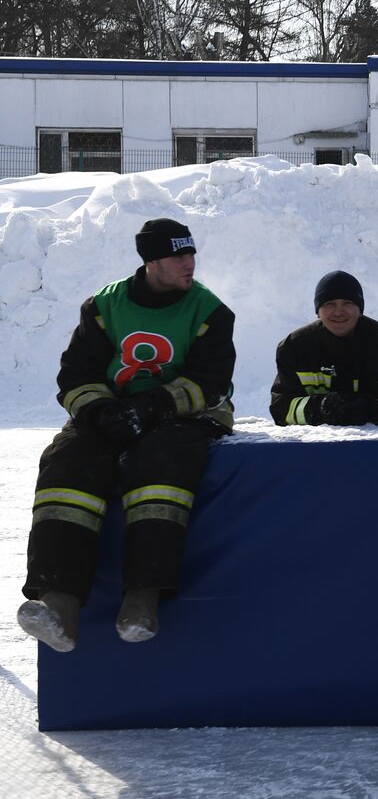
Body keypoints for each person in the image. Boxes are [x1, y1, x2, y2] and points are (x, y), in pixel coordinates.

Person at [16, 218, 236, 651]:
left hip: (185, 416)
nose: (190, 263)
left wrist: (153, 406)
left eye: (191, 254)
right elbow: (76, 376)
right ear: (151, 262)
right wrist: (100, 411)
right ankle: (58, 605)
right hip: (113, 410)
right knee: (68, 462)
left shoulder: (210, 311)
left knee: (160, 469)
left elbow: (210, 383)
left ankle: (142, 599)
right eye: (179, 255)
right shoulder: (103, 306)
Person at [269, 270, 378, 426]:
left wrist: (372, 411)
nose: (338, 312)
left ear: (360, 308)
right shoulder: (295, 348)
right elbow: (281, 409)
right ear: (318, 311)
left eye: (348, 303)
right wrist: (319, 408)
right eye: (329, 304)